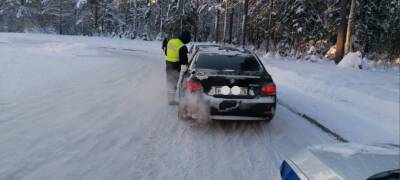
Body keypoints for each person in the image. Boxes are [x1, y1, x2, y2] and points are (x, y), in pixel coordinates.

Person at [164, 31, 191, 105]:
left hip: (168, 64)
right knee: (174, 82)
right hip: (175, 66)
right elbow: (184, 61)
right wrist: (186, 67)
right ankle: (171, 100)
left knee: (169, 81)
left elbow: (166, 52)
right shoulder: (182, 46)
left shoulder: (171, 41)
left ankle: (169, 98)